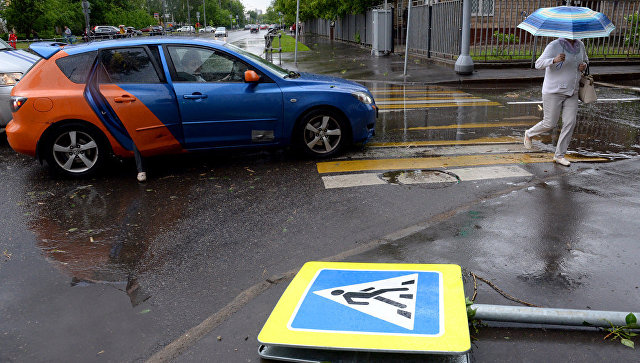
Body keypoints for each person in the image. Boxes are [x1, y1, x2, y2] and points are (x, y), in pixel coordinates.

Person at [523, 37, 588, 167]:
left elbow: (586, 60)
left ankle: (559, 156)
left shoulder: (580, 45)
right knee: (550, 123)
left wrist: (584, 66)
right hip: (553, 91)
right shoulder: (554, 45)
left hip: (572, 91)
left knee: (570, 122)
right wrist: (554, 60)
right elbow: (538, 64)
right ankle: (529, 133)